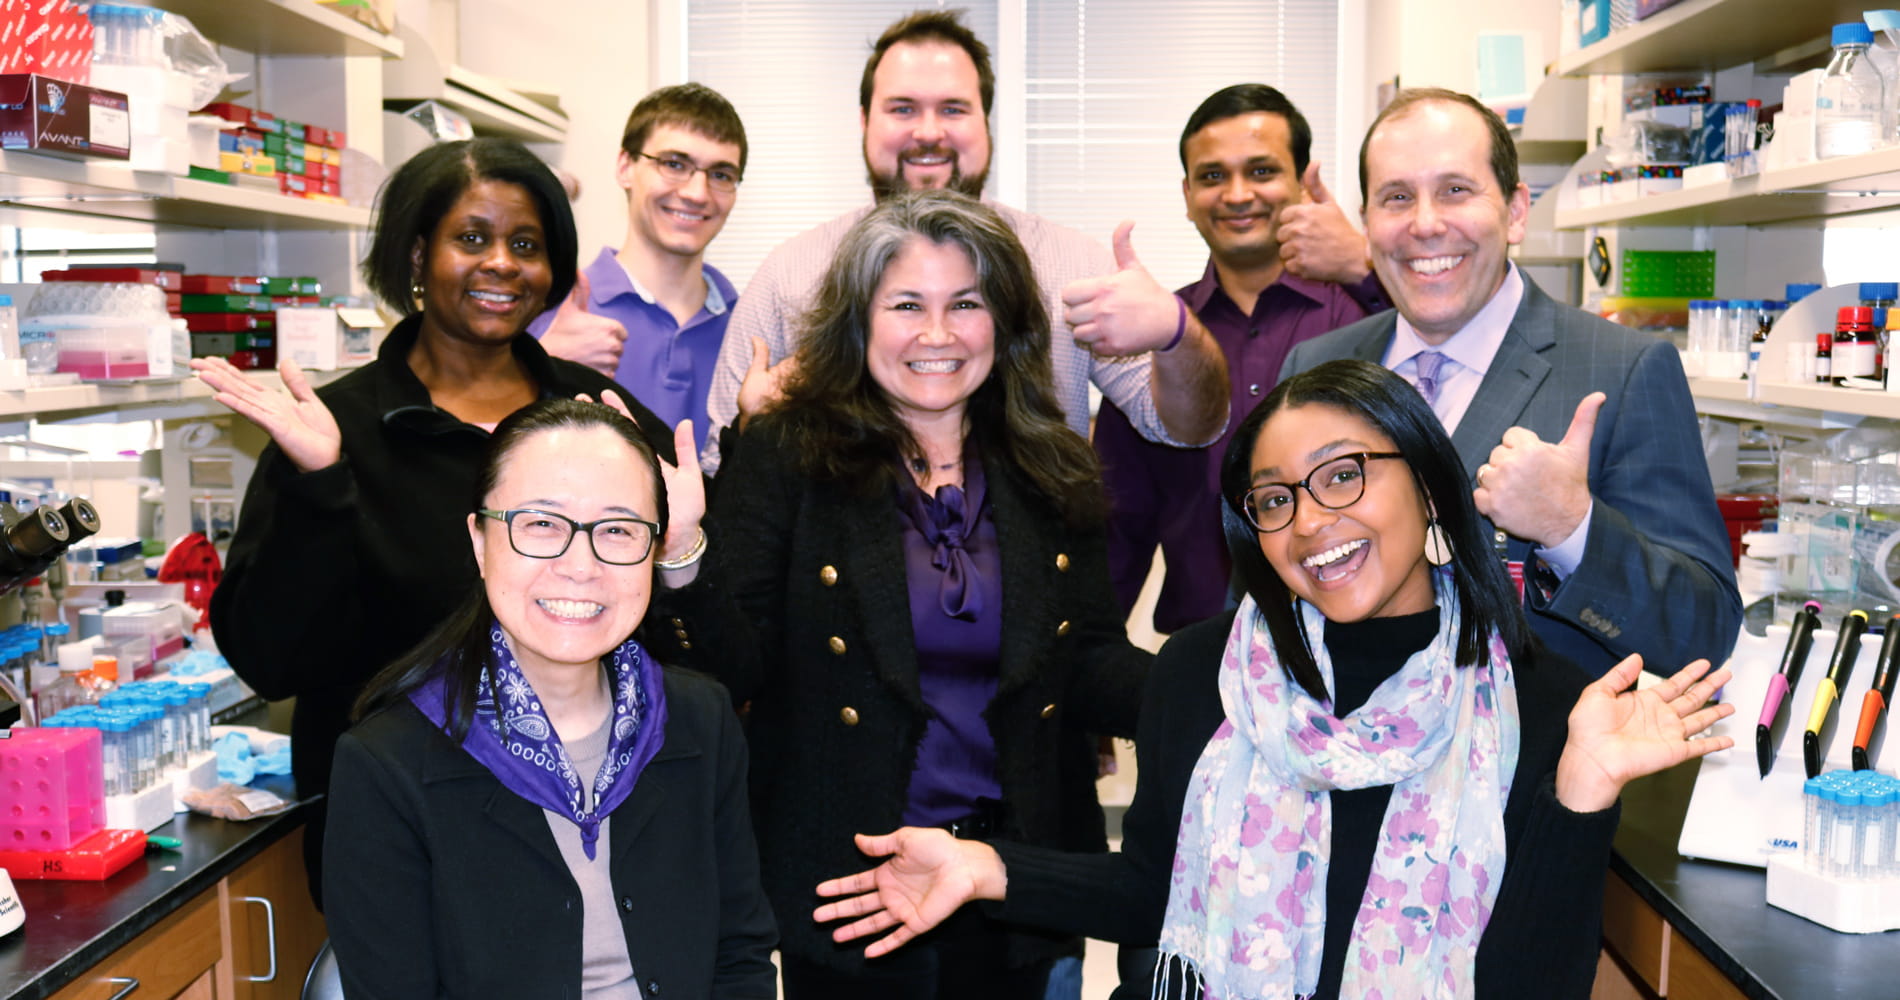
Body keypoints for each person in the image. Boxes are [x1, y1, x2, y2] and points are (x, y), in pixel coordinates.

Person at [812, 359, 1736, 1000]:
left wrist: (1582, 792)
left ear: (1424, 478)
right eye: (1275, 500)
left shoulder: (1541, 698)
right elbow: (1154, 890)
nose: (1312, 523)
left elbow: (1536, 984)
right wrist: (986, 869)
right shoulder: (1203, 673)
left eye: (1343, 476)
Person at [196, 138, 701, 901]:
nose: (501, 262)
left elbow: (684, 646)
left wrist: (684, 549)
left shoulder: (605, 425)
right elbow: (273, 662)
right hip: (402, 842)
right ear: (414, 255)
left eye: (526, 244)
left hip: (596, 830)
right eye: (471, 238)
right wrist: (322, 485)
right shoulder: (332, 431)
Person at [704, 190, 1148, 997]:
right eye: (906, 304)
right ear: (859, 321)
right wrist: (679, 563)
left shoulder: (1053, 461)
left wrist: (1222, 685)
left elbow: (1085, 660)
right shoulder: (783, 450)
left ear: (1006, 322)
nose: (937, 335)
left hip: (1019, 876)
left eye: (966, 304)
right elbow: (735, 664)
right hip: (852, 886)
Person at [323, 399, 776, 998]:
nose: (580, 565)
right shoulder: (387, 765)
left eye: (617, 529)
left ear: (655, 548)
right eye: (541, 525)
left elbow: (740, 955)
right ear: (481, 542)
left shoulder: (699, 719)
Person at [1282, 88, 1742, 677]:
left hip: (1536, 763)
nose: (1425, 224)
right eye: (1396, 197)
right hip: (1331, 752)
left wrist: (1571, 527)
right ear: (1368, 224)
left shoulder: (1624, 371)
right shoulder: (1313, 370)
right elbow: (1260, 591)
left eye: (1455, 190)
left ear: (1516, 211)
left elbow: (1702, 630)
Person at [699, 8, 1228, 472]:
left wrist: (1176, 333)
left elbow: (1186, 428)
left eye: (953, 109)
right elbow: (721, 465)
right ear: (864, 121)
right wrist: (759, 426)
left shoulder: (1074, 269)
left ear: (985, 121)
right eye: (902, 108)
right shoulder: (791, 275)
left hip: (1033, 578)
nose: (929, 132)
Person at [1092, 83, 1389, 633]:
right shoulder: (1158, 330)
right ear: (1186, 195)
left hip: (1365, 648)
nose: (1235, 194)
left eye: (1260, 171)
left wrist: (1366, 265)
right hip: (1207, 655)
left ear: (1304, 183)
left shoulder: (1370, 313)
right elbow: (1121, 522)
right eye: (1212, 176)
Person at [534, 83, 748, 457]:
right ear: (625, 168)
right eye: (674, 164)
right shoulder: (552, 314)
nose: (698, 193)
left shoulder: (749, 327)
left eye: (721, 174)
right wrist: (539, 365)